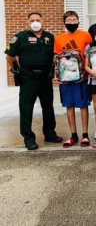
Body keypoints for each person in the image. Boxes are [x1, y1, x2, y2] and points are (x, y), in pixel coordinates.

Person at [4, 12, 62, 150]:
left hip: (45, 78)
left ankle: (50, 134)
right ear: (28, 22)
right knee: (26, 108)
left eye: (38, 20)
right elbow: (9, 56)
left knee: (48, 106)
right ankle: (28, 138)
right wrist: (16, 70)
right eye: (32, 20)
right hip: (28, 78)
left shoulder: (49, 37)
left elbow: (54, 56)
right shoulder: (20, 37)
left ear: (43, 21)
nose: (35, 22)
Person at [54, 11, 93, 148]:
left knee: (83, 105)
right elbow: (56, 59)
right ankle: (73, 135)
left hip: (81, 77)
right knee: (69, 106)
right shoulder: (58, 38)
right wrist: (57, 76)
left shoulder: (86, 35)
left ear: (78, 21)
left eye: (74, 19)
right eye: (69, 20)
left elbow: (91, 54)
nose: (72, 22)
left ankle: (85, 135)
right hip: (65, 79)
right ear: (64, 22)